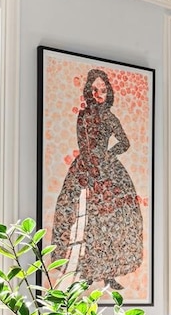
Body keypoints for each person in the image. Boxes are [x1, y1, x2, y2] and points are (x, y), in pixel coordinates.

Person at [52, 68, 143, 289]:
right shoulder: (83, 115)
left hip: (108, 170)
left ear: (108, 92)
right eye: (94, 89)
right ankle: (87, 272)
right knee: (85, 218)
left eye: (102, 90)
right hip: (84, 168)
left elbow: (125, 142)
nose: (98, 94)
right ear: (88, 90)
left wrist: (107, 156)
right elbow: (82, 143)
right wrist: (90, 170)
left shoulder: (110, 117)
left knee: (110, 222)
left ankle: (109, 274)